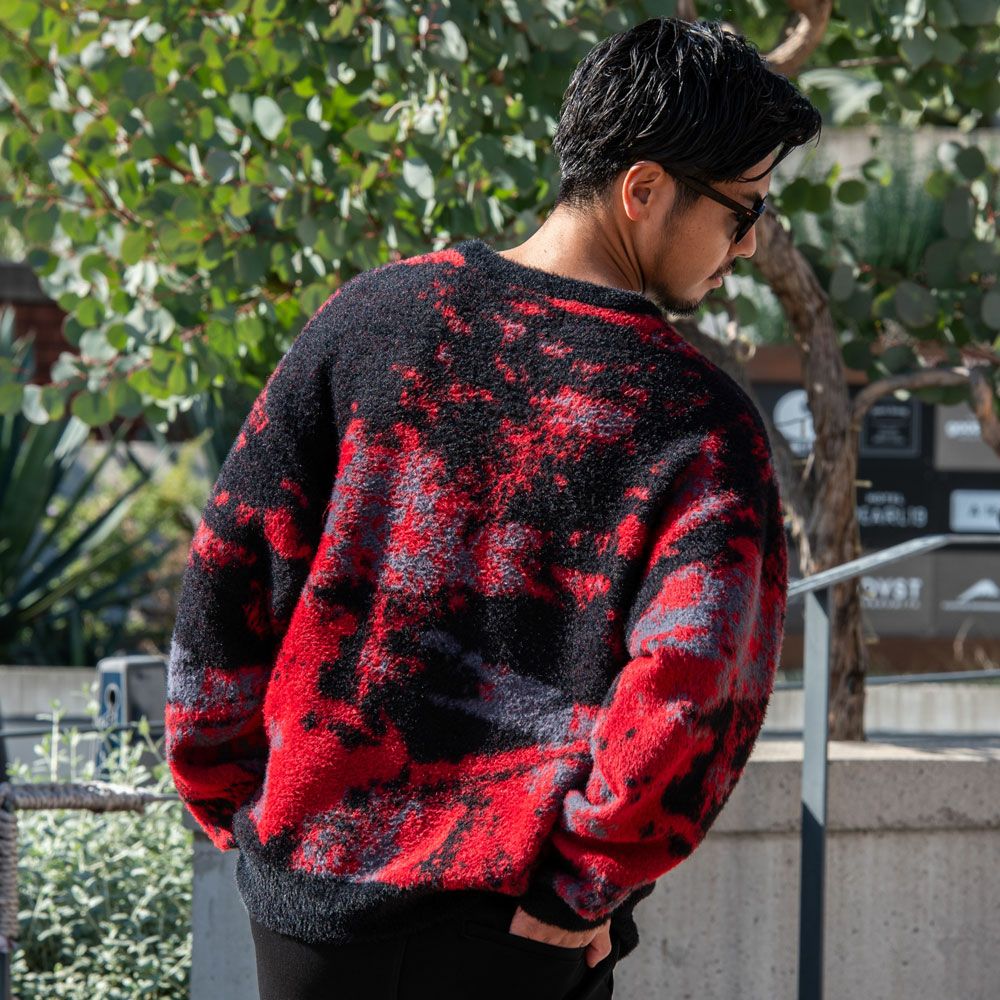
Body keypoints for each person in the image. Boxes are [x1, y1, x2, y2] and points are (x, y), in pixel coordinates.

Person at [165, 15, 820, 1000]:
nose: (751, 241)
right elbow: (692, 692)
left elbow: (229, 571)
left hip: (312, 908)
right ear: (644, 190)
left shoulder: (371, 321)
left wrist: (245, 809)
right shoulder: (695, 420)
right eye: (744, 209)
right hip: (513, 926)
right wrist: (585, 883)